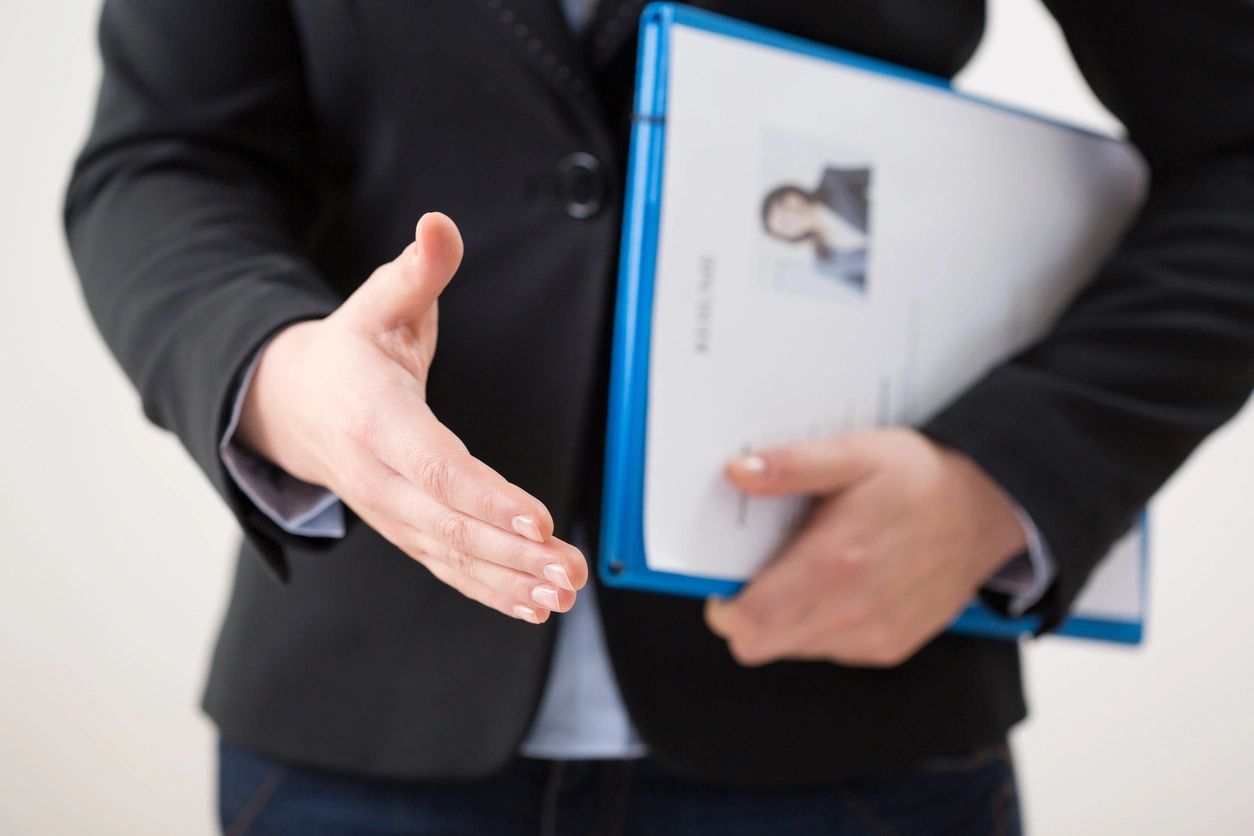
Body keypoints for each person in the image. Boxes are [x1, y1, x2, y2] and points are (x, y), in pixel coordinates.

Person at [64, 1, 1254, 833]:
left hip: (848, 734)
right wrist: (276, 375)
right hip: (361, 726)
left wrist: (1003, 477)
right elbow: (165, 151)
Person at [761, 168, 870, 289]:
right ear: (790, 236)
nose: (790, 214)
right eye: (784, 223)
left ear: (790, 192)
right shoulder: (824, 265)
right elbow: (868, 290)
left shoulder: (833, 180)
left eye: (784, 204)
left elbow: (885, 175)